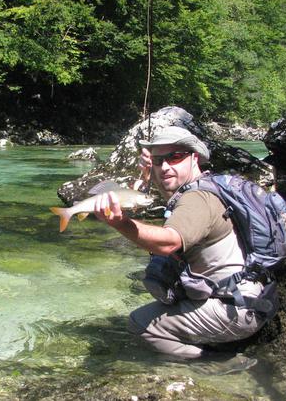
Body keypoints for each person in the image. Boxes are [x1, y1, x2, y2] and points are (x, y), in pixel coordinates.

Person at [93, 126, 270, 359]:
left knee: (141, 324)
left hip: (236, 310)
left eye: (175, 157)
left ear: (194, 157)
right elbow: (170, 193)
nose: (165, 166)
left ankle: (217, 365)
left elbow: (168, 243)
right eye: (158, 160)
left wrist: (121, 224)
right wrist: (151, 173)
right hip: (248, 297)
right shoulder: (203, 186)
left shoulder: (197, 199)